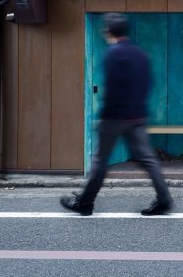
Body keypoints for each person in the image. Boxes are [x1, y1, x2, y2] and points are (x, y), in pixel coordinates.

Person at [61, 13, 173, 216]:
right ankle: (164, 199)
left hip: (115, 117)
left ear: (108, 32)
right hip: (138, 115)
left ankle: (85, 203)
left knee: (101, 160)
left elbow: (111, 87)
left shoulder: (112, 53)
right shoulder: (140, 54)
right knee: (148, 159)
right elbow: (148, 83)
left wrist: (105, 114)